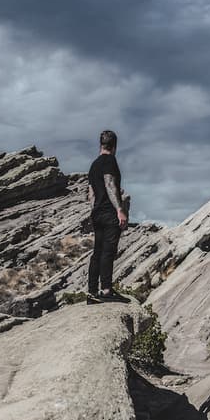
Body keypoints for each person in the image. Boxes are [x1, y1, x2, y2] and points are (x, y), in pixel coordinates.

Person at [86, 130, 130, 304]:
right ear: (114, 146)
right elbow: (110, 183)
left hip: (97, 213)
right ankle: (106, 290)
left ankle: (91, 292)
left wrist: (93, 211)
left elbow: (91, 194)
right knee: (107, 252)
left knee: (97, 253)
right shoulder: (109, 160)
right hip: (108, 212)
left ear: (101, 144)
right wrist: (119, 209)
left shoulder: (93, 165)